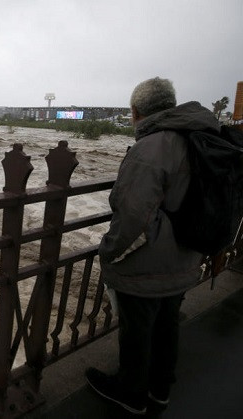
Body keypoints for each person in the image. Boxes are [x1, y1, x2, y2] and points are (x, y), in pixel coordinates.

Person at [86, 77, 220, 415]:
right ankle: (160, 390)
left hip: (148, 267)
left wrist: (109, 252)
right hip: (187, 257)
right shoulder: (200, 138)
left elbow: (132, 216)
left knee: (138, 332)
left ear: (135, 112)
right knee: (167, 326)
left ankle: (130, 395)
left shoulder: (151, 148)